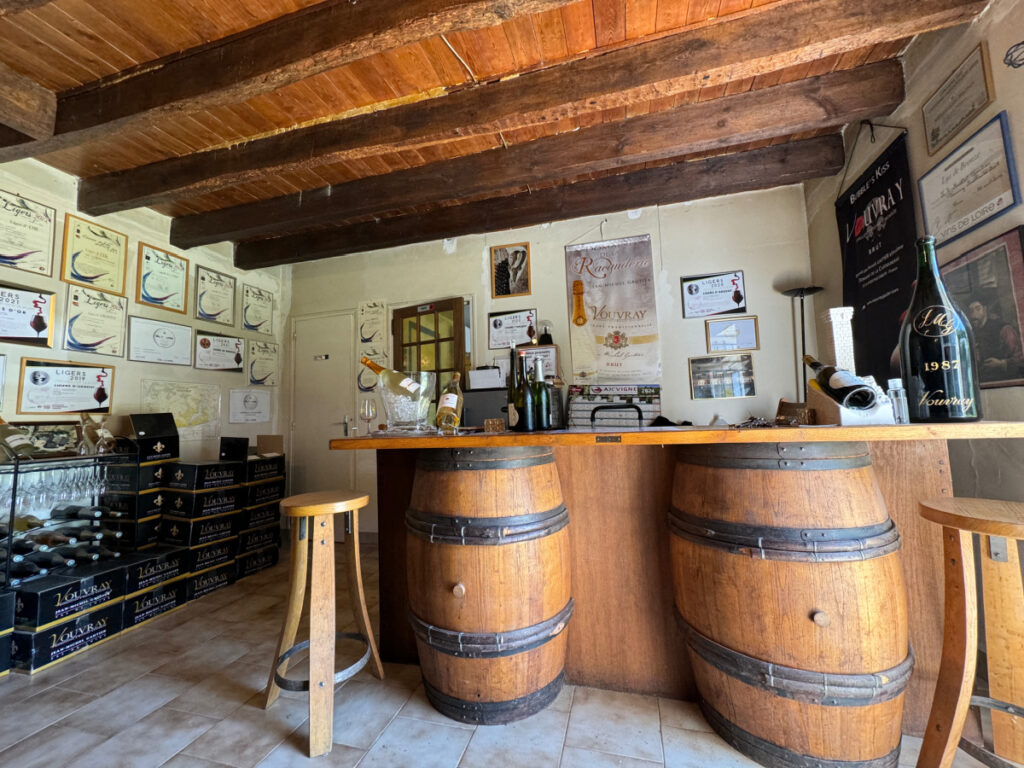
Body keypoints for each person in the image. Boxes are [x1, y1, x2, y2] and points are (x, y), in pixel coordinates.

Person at [967, 297, 1024, 382]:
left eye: (977, 309)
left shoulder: (1003, 329)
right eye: (971, 311)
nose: (973, 315)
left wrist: (1001, 364)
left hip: (1005, 382)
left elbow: (1020, 358)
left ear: (985, 309)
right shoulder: (971, 333)